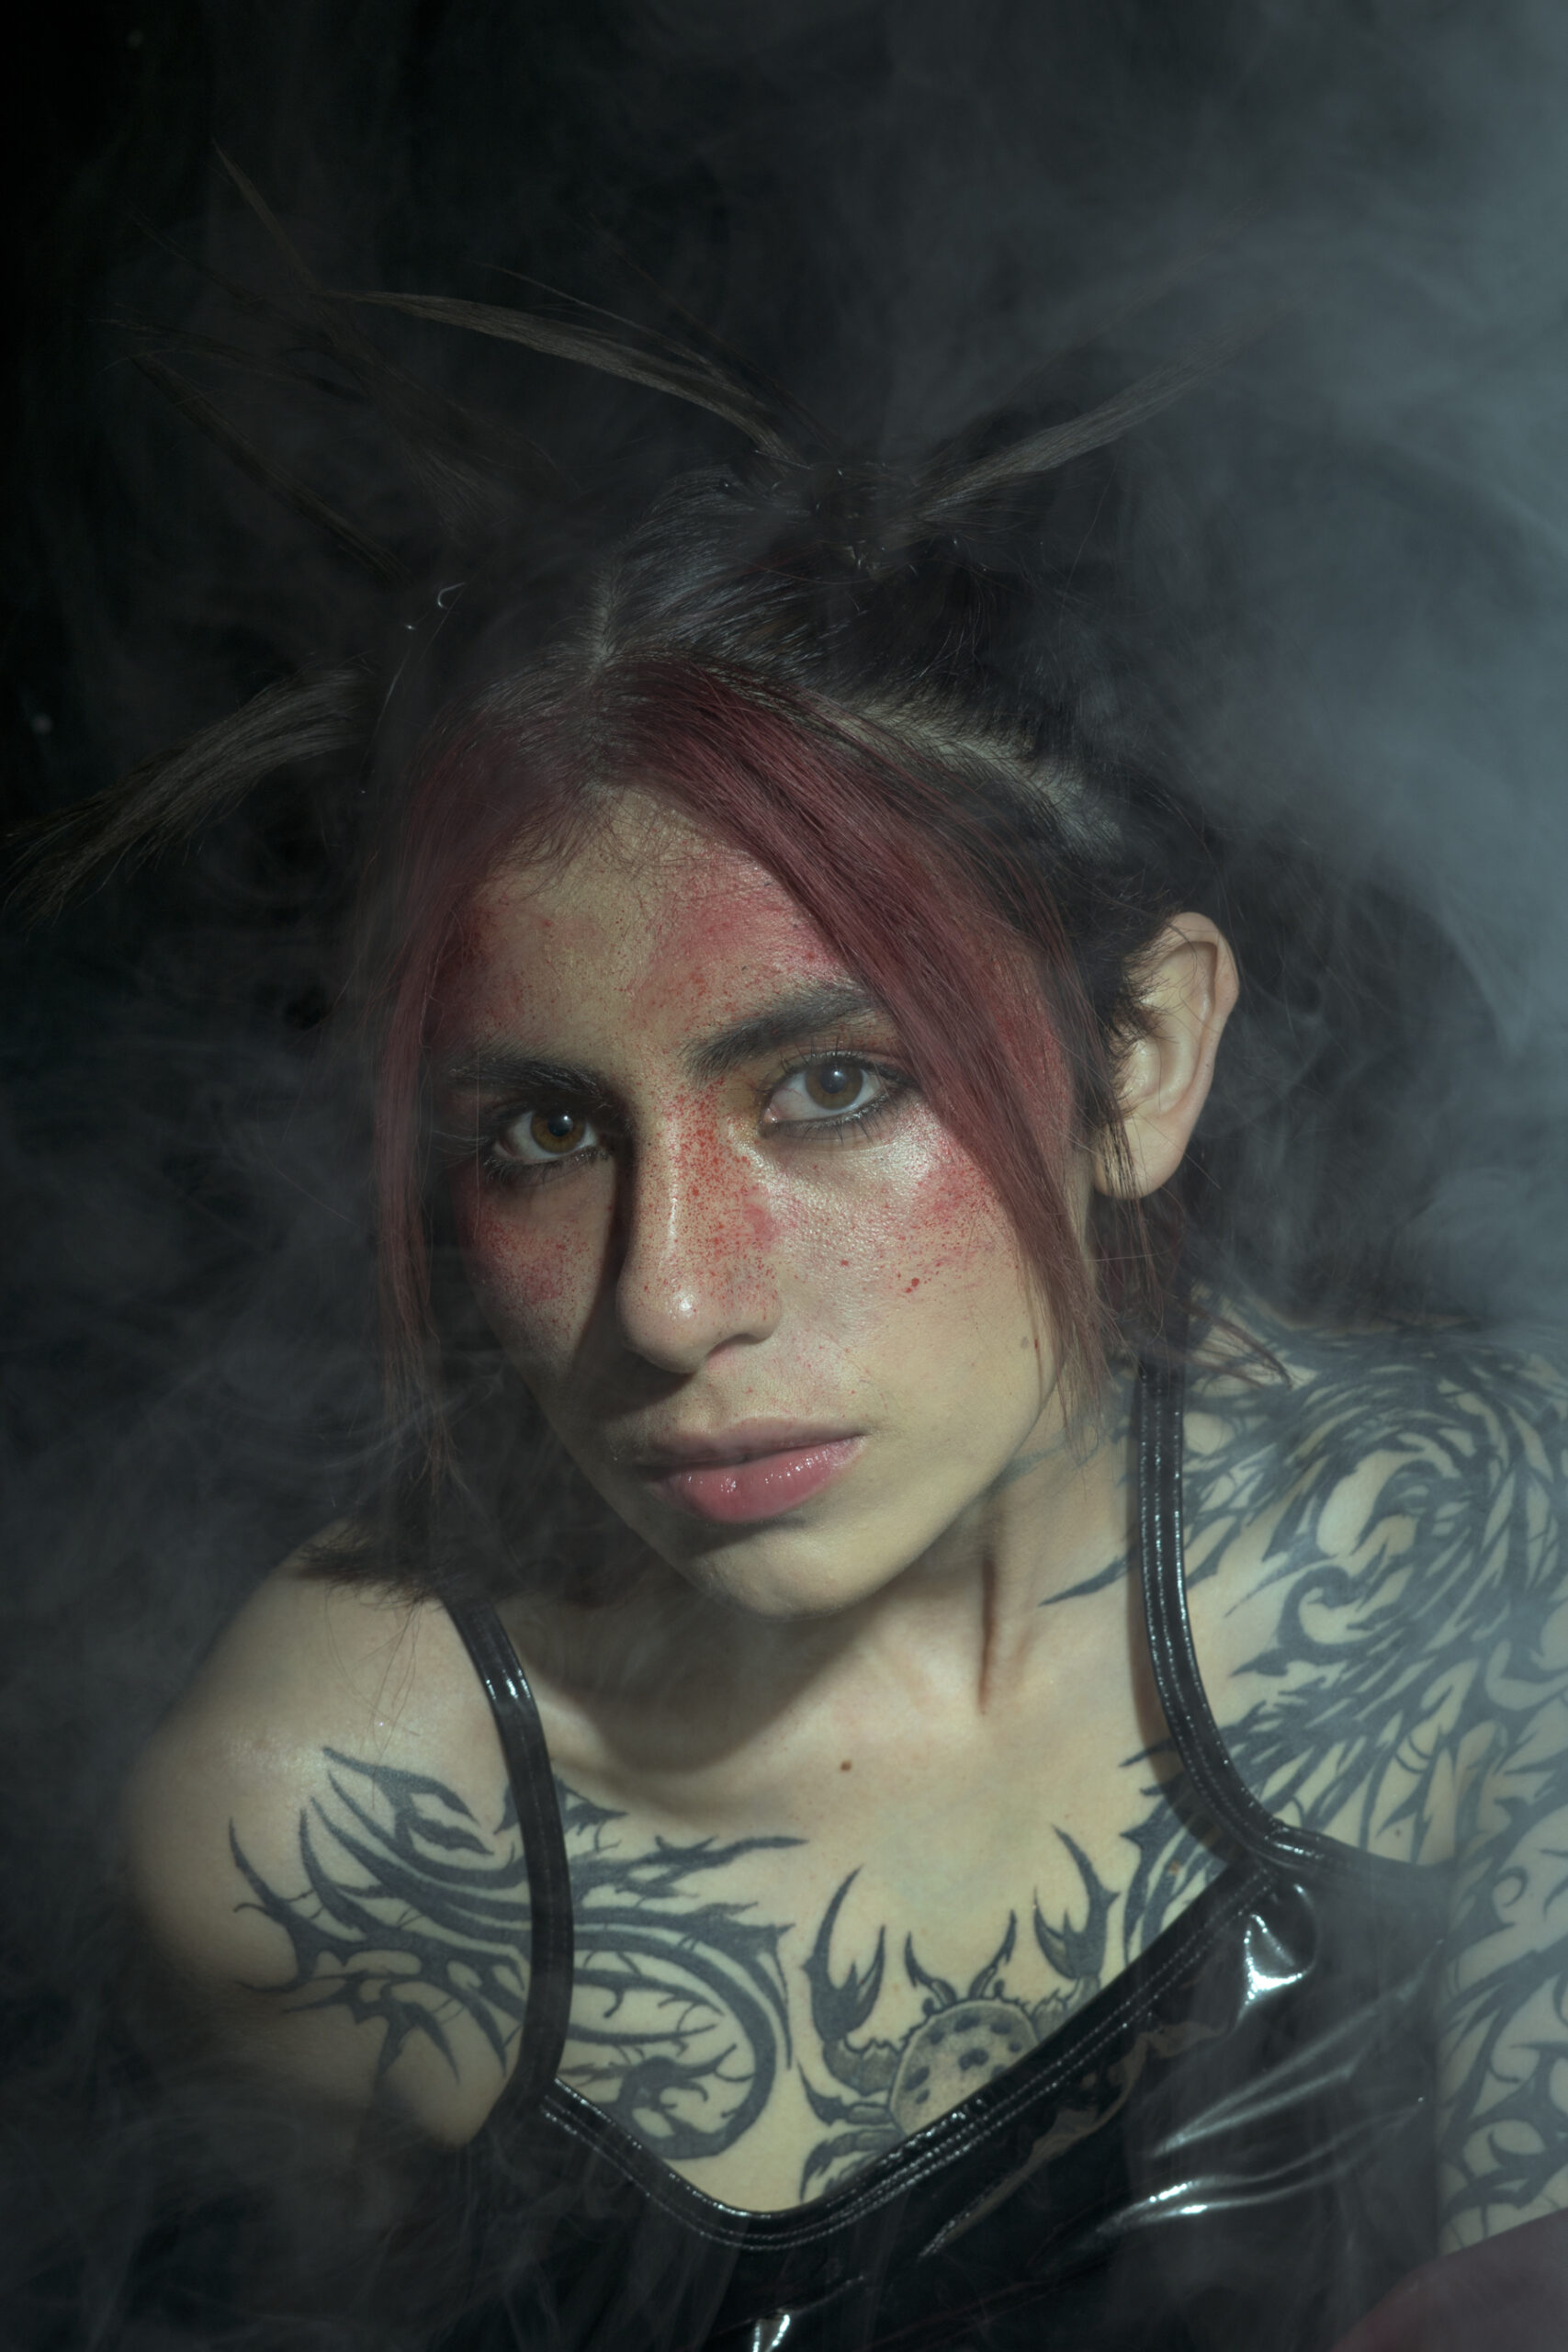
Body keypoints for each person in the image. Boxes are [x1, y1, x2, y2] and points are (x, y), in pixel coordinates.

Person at [32, 244, 1568, 2349]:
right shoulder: (329, 1823)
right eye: (541, 1131)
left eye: (831, 1087)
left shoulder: (1466, 1536)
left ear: (1138, 1063)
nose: (665, 1303)